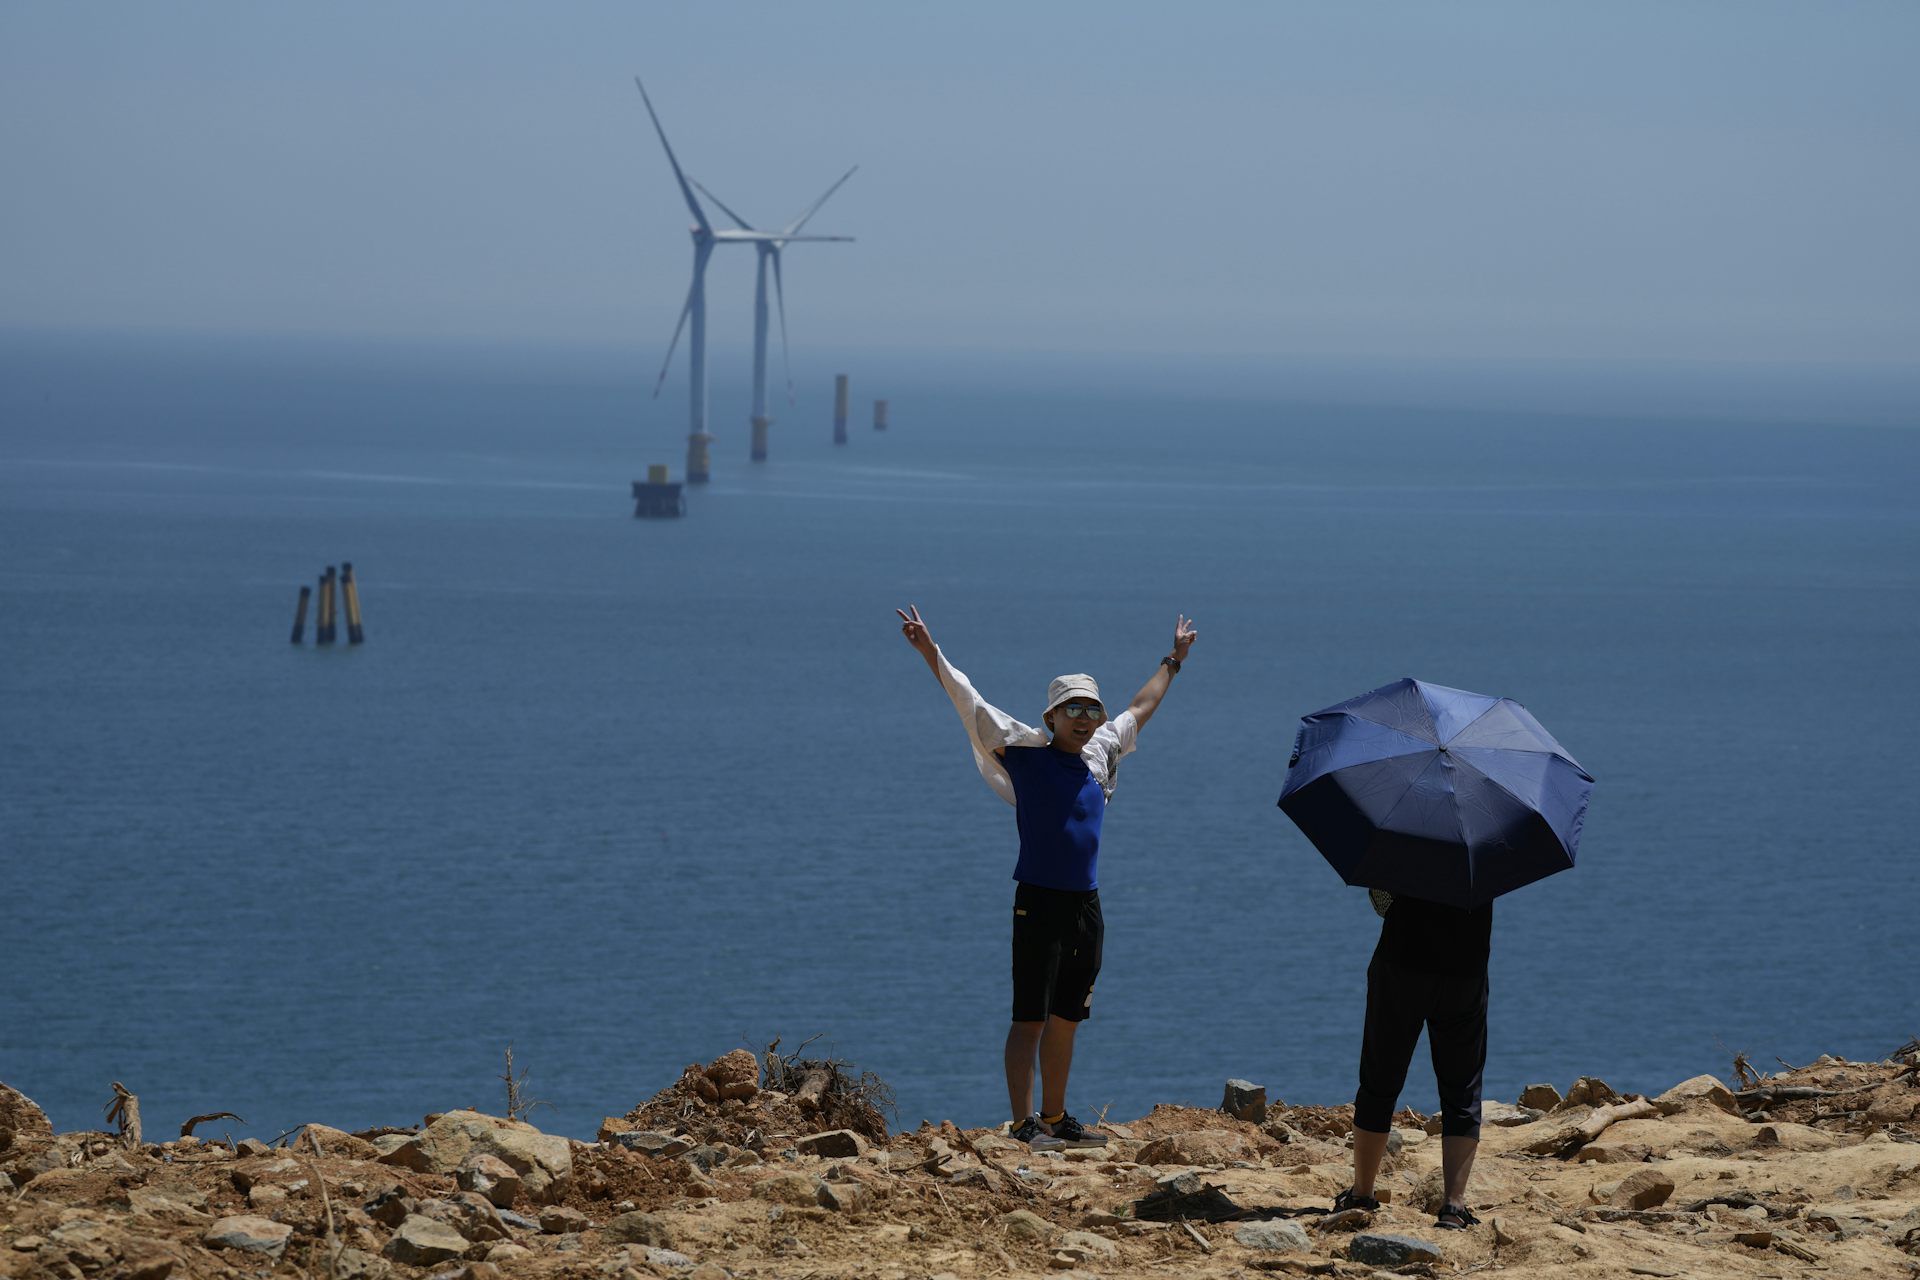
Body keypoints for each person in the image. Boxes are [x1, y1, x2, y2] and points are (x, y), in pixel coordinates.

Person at [896, 604, 1196, 1150]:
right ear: (1051, 716)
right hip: (1037, 902)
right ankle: (1022, 1124)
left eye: (1090, 709)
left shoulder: (1102, 753)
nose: (1083, 717)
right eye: (1071, 708)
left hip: (1086, 907)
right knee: (1029, 1018)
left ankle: (1056, 1119)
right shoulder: (1023, 753)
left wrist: (1173, 660)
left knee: (1066, 1018)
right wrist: (929, 651)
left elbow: (1141, 706)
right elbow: (970, 702)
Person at [1334, 889, 1491, 1230]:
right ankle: (1454, 1206)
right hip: (1466, 967)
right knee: (1462, 1086)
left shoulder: (1403, 838)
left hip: (1401, 962)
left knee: (1379, 1078)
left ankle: (1362, 1193)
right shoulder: (1485, 844)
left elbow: (1382, 903)